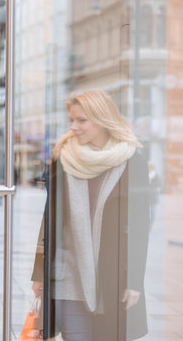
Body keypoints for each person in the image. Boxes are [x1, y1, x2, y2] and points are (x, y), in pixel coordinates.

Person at [31, 90, 151, 340]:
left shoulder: (131, 161)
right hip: (68, 274)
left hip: (111, 275)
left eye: (81, 120)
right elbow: (49, 219)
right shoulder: (63, 159)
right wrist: (39, 272)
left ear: (102, 119)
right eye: (72, 120)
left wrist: (134, 280)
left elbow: (140, 226)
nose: (74, 127)